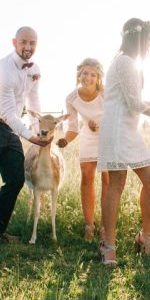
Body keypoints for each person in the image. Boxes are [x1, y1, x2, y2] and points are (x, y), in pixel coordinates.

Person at [97, 18, 150, 265]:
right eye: (149, 41)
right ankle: (108, 246)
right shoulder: (124, 61)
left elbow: (131, 99)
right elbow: (134, 103)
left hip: (129, 129)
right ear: (139, 39)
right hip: (115, 129)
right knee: (116, 184)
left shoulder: (129, 64)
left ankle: (145, 237)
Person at [0, 26, 51, 256]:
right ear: (14, 42)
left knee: (15, 179)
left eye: (32, 43)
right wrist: (29, 136)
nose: (28, 47)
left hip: (10, 130)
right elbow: (7, 111)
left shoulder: (35, 69)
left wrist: (40, 133)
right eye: (24, 42)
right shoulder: (4, 70)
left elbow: (34, 103)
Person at [58, 58, 109, 241]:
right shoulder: (71, 98)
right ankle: (89, 225)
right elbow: (73, 127)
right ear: (79, 74)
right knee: (87, 177)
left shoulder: (105, 92)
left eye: (93, 75)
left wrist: (101, 124)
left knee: (108, 180)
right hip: (88, 135)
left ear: (98, 78)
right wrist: (65, 140)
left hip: (108, 135)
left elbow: (116, 115)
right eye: (85, 73)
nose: (88, 77)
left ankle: (105, 225)